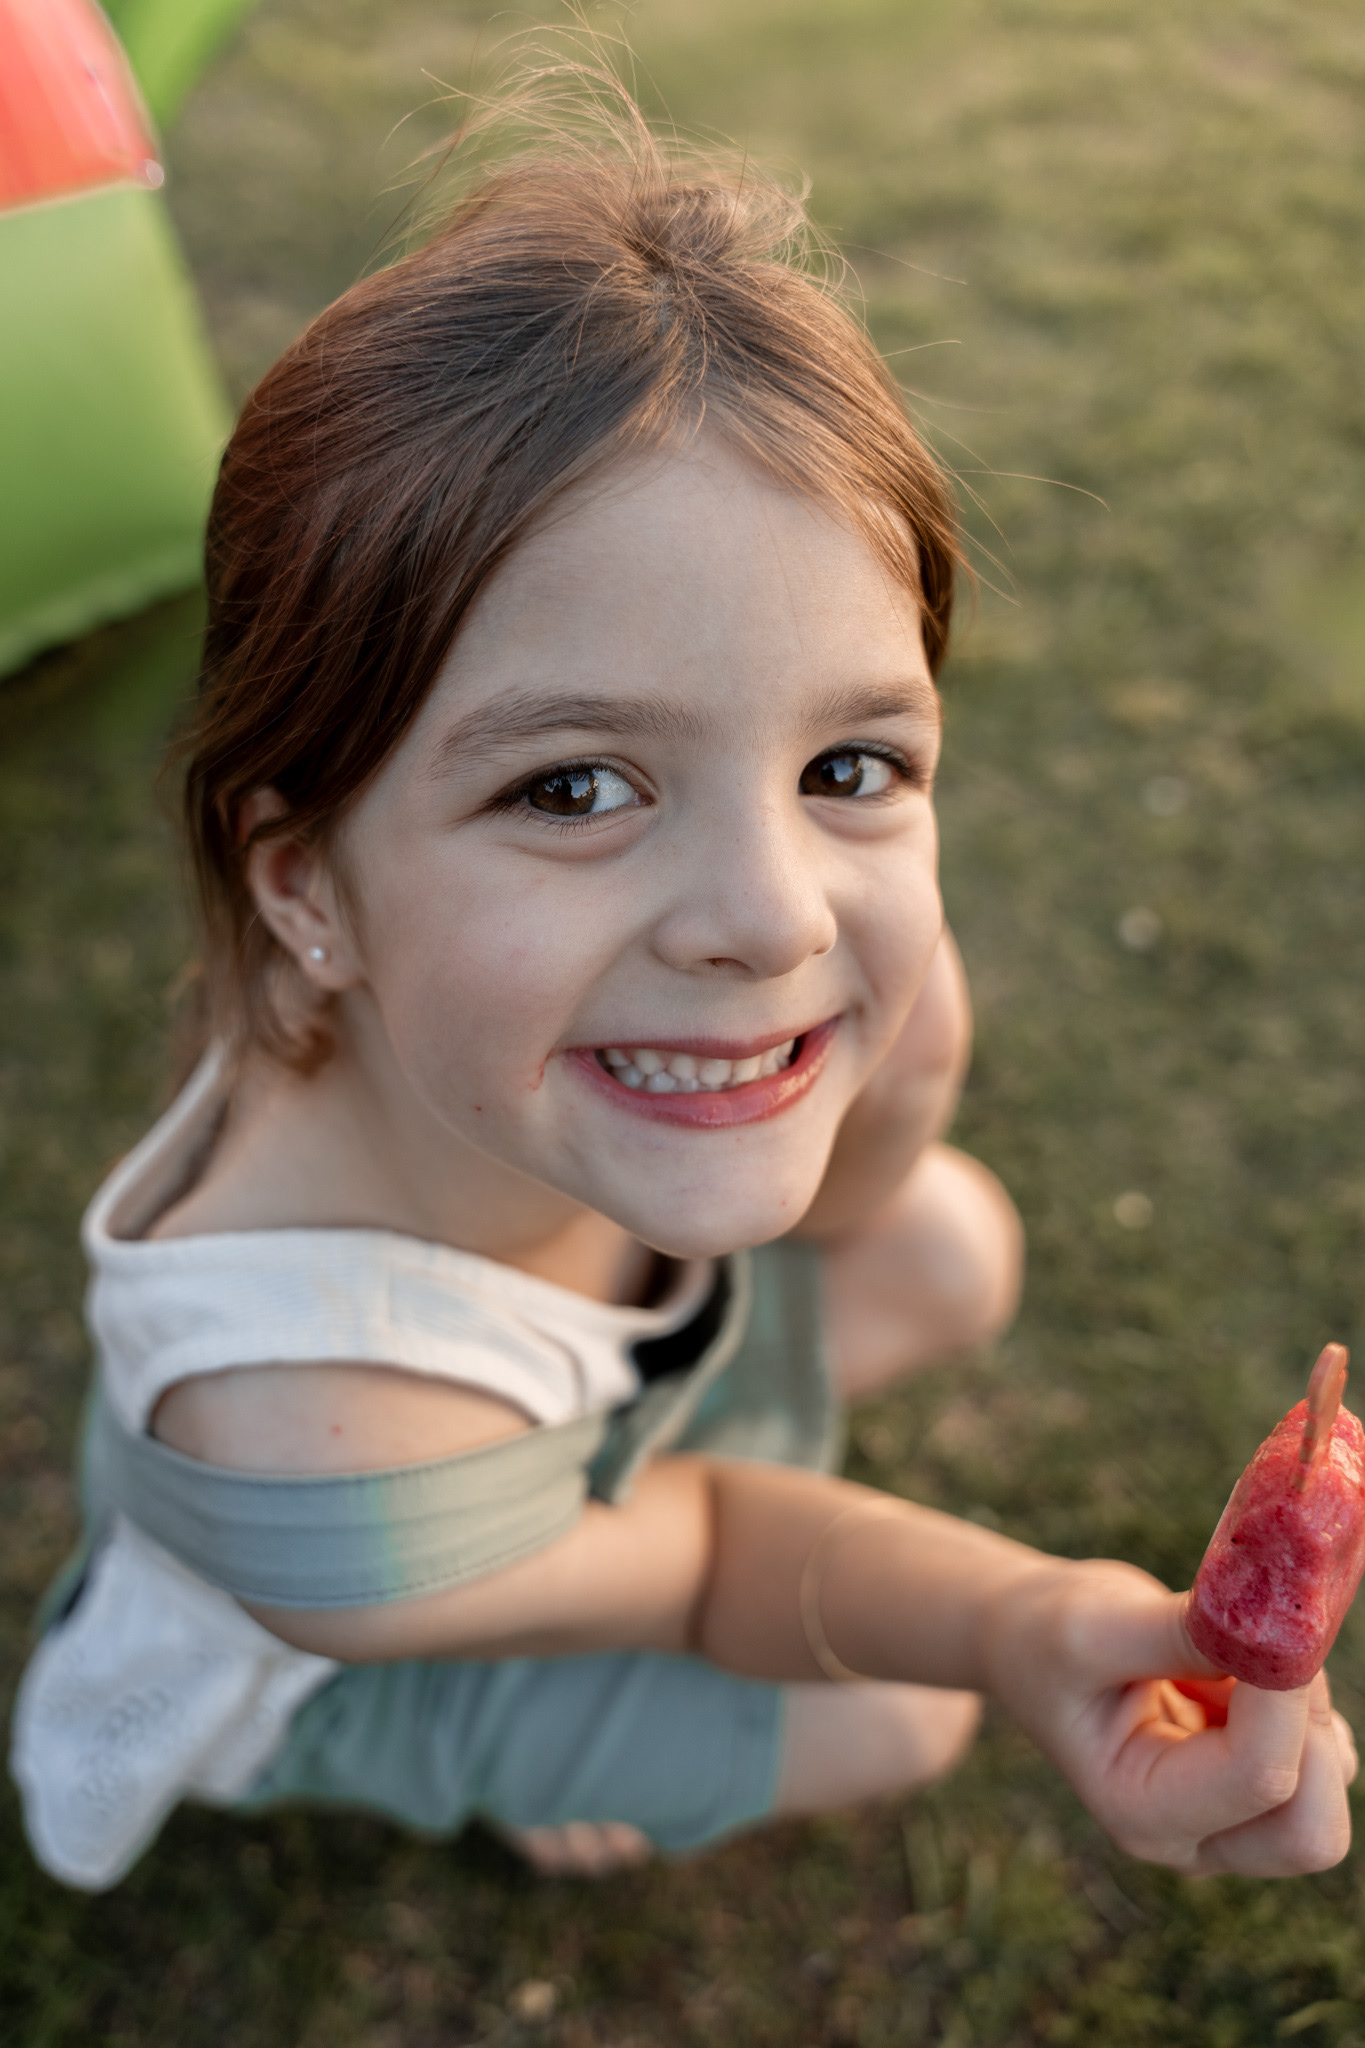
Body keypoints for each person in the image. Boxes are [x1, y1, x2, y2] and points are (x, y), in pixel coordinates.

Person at [11, 75, 1355, 1894]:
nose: (772, 915)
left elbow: (853, 1202)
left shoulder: (534, 1016)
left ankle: (595, 1523)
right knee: (896, 1715)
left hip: (561, 1414)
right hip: (380, 1600)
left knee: (950, 1241)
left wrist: (899, 1075)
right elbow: (727, 1555)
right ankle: (496, 1742)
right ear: (307, 884)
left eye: (847, 770)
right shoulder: (318, 1445)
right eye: (571, 787)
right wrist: (1020, 1628)